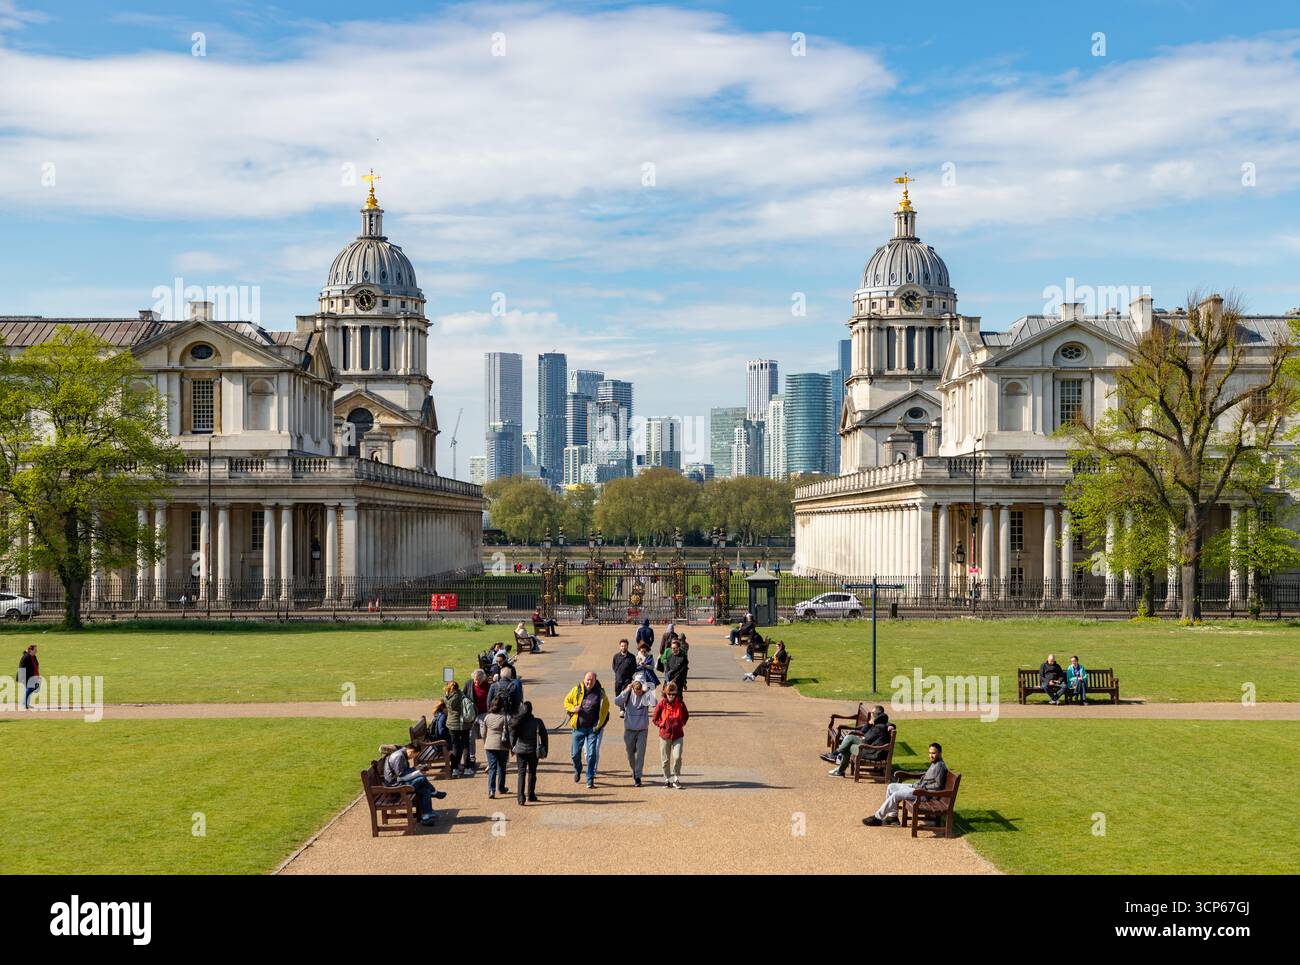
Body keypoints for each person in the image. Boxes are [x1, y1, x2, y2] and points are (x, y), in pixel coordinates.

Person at [863, 742, 948, 826]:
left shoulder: (940, 766)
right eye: (929, 753)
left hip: (924, 794)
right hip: (918, 788)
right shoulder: (935, 763)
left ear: (940, 753)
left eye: (933, 753)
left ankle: (877, 817)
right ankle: (893, 817)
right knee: (891, 787)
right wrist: (919, 785)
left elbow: (938, 785)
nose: (931, 756)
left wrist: (923, 787)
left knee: (896, 795)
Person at [563, 671, 610, 788]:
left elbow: (605, 709)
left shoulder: (600, 692)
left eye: (592, 680)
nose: (589, 682)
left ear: (595, 681)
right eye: (587, 680)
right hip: (578, 728)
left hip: (592, 729)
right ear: (584, 680)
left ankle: (590, 779)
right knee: (575, 754)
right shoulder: (577, 690)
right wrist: (573, 708)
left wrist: (599, 725)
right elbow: (566, 701)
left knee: (592, 754)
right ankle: (578, 769)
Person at [383, 743, 446, 825]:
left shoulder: (402, 754)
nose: (413, 757)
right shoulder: (399, 756)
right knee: (422, 779)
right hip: (396, 786)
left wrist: (416, 768)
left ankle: (426, 815)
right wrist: (416, 771)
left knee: (425, 790)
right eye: (414, 755)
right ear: (411, 751)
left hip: (399, 782)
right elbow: (401, 774)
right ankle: (434, 792)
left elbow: (404, 772)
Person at [615, 674, 658, 787]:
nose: (638, 692)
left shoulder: (646, 693)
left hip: (642, 729)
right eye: (636, 689)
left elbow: (655, 704)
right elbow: (617, 701)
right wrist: (626, 690)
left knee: (640, 754)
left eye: (640, 689)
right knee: (630, 754)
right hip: (629, 729)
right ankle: (634, 769)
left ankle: (638, 776)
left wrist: (647, 691)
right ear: (633, 686)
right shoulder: (629, 692)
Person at [823, 704, 890, 776]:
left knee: (850, 741)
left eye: (872, 713)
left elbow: (866, 740)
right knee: (849, 742)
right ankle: (838, 763)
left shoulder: (879, 727)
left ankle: (836, 757)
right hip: (872, 750)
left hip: (873, 753)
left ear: (876, 714)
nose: (871, 714)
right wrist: (869, 723)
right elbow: (863, 731)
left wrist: (863, 737)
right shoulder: (879, 723)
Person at [509, 700, 548, 804]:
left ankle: (521, 797)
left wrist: (512, 747)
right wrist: (545, 750)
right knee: (532, 772)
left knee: (521, 773)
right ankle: (531, 794)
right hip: (533, 751)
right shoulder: (537, 722)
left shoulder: (518, 722)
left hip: (520, 751)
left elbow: (513, 735)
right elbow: (544, 736)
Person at [651, 681, 689, 788]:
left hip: (678, 735)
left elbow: (686, 716)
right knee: (665, 759)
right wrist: (661, 724)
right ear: (665, 694)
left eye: (673, 694)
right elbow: (654, 719)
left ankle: (676, 778)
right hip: (665, 735)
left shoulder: (680, 703)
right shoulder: (661, 704)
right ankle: (667, 778)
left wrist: (681, 723)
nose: (671, 696)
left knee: (677, 757)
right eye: (669, 694)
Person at [443, 679, 477, 777]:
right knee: (466, 745)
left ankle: (455, 768)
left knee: (455, 746)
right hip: (464, 724)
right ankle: (466, 767)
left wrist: (446, 694)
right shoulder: (462, 695)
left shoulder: (448, 698)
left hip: (452, 725)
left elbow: (448, 703)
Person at [482, 695, 511, 799]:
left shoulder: (487, 717)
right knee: (502, 768)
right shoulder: (505, 717)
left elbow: (483, 733)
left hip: (489, 745)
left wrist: (486, 742)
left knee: (492, 768)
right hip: (502, 745)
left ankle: (491, 790)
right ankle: (501, 787)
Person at [464, 669, 491, 772]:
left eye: (478, 680)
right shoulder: (468, 683)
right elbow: (464, 696)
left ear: (482, 679)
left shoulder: (487, 686)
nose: (476, 682)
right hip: (472, 715)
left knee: (485, 736)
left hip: (484, 714)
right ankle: (472, 758)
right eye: (475, 680)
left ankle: (489, 759)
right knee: (470, 737)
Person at [612, 639, 636, 715]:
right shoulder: (616, 656)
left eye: (625, 646)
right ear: (620, 647)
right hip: (618, 679)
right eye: (622, 646)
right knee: (618, 694)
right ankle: (622, 707)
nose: (623, 647)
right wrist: (618, 673)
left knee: (626, 694)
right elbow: (614, 666)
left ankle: (623, 709)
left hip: (627, 680)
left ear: (627, 646)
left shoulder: (632, 657)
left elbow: (634, 668)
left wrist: (629, 676)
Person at [18, 645, 40, 709]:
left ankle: (26, 703)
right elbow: (21, 667)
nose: (36, 651)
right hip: (26, 677)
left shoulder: (33, 656)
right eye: (35, 650)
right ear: (31, 650)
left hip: (33, 676)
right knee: (29, 689)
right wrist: (23, 678)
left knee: (32, 689)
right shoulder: (26, 657)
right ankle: (25, 704)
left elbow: (36, 665)